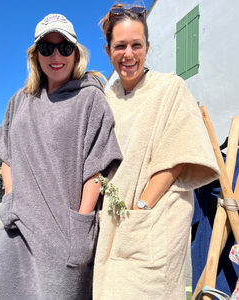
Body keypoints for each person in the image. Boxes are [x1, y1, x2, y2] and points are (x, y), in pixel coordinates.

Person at [0, 13, 122, 300]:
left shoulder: (91, 99)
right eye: (47, 47)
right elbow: (7, 154)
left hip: (63, 232)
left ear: (76, 53)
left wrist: (81, 226)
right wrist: (10, 197)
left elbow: (97, 168)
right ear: (36, 55)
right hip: (18, 225)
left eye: (64, 47)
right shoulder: (20, 100)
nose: (56, 55)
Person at [93, 3, 220, 299]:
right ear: (108, 51)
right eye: (120, 46)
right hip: (111, 224)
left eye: (136, 45)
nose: (128, 54)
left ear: (147, 47)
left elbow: (180, 152)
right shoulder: (105, 99)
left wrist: (143, 206)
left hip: (155, 218)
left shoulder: (170, 88)